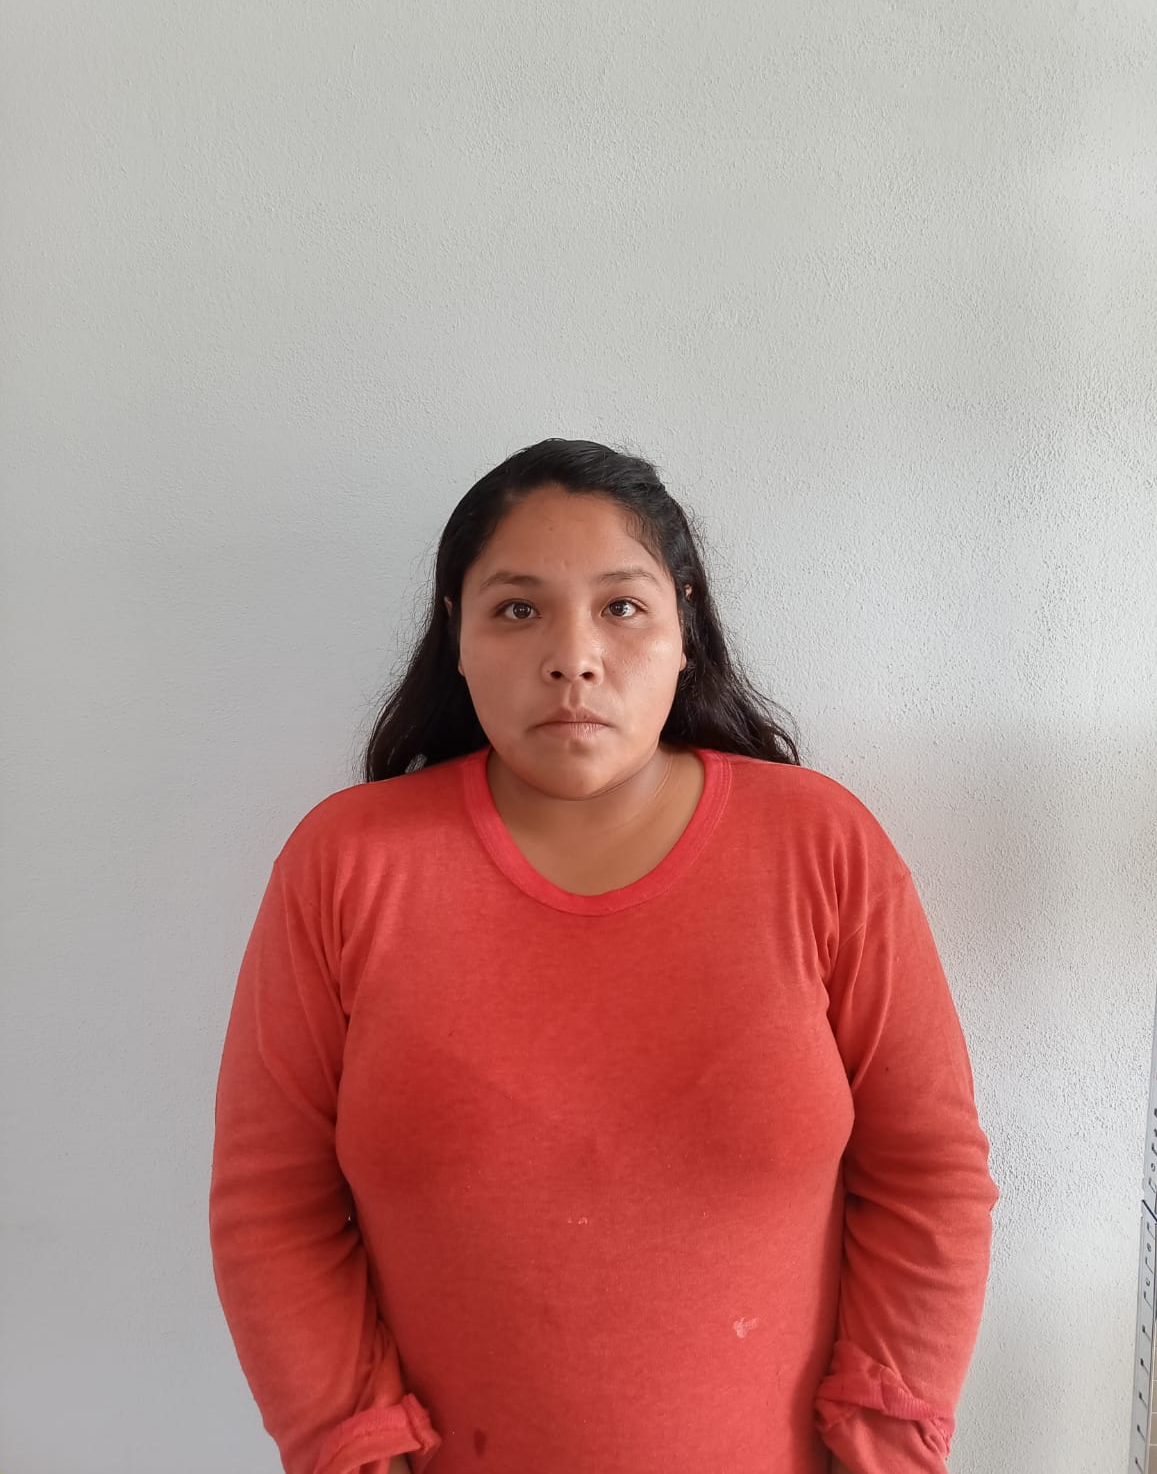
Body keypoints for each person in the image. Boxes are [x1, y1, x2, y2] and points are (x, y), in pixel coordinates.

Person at [209, 437, 999, 1474]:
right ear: (456, 634)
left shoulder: (822, 846)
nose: (572, 656)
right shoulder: (344, 867)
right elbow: (272, 1203)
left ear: (683, 628)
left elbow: (929, 1175)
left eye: (621, 606)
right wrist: (350, 1444)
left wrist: (886, 1444)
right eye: (517, 608)